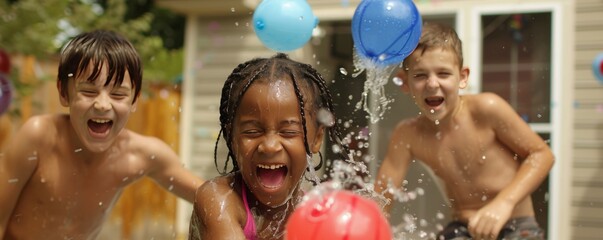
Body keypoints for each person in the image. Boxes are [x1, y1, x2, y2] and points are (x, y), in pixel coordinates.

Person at [0, 30, 203, 239]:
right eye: (88, 91)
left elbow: (208, 197)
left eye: (118, 94)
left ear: (134, 100)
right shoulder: (39, 139)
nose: (103, 105)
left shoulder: (140, 155)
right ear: (63, 92)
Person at [375, 23, 554, 240]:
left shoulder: (486, 109)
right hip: (463, 228)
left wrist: (503, 203)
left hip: (516, 225)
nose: (432, 84)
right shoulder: (409, 134)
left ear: (462, 77)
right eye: (420, 75)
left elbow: (542, 155)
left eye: (443, 73)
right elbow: (382, 197)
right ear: (404, 82)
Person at [188, 53, 349, 240]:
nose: (270, 146)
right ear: (231, 137)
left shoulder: (310, 215)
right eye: (252, 132)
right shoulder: (218, 198)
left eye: (288, 132)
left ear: (317, 138)